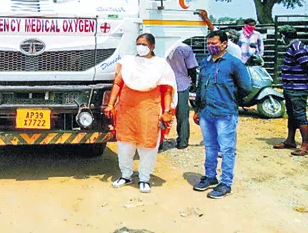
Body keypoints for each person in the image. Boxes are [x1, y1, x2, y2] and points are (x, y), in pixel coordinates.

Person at [104, 33, 176, 193]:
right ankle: (125, 175)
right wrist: (110, 104)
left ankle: (144, 178)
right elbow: (117, 83)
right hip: (126, 110)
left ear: (152, 46)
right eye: (138, 43)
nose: (140, 47)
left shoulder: (160, 65)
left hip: (149, 111)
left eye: (144, 44)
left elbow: (167, 90)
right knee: (124, 144)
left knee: (147, 144)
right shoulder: (128, 62)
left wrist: (166, 112)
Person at [192, 31, 252, 199]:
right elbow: (200, 87)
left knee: (227, 149)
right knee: (210, 147)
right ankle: (210, 176)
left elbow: (246, 87)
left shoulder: (234, 63)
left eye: (214, 43)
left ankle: (226, 183)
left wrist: (231, 99)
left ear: (225, 44)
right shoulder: (205, 63)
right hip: (206, 112)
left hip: (225, 113)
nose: (211, 46)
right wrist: (197, 109)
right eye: (208, 43)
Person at [273, 25, 308, 156]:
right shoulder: (294, 47)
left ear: (284, 36)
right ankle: (290, 140)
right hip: (291, 87)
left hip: (298, 88)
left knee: (299, 115)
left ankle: (306, 145)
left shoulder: (297, 47)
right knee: (292, 114)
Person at [166, 43, 198, 149]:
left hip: (164, 83)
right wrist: (194, 82)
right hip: (181, 84)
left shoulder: (162, 44)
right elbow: (192, 68)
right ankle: (182, 141)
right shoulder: (185, 48)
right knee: (182, 115)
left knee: (161, 112)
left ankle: (159, 141)